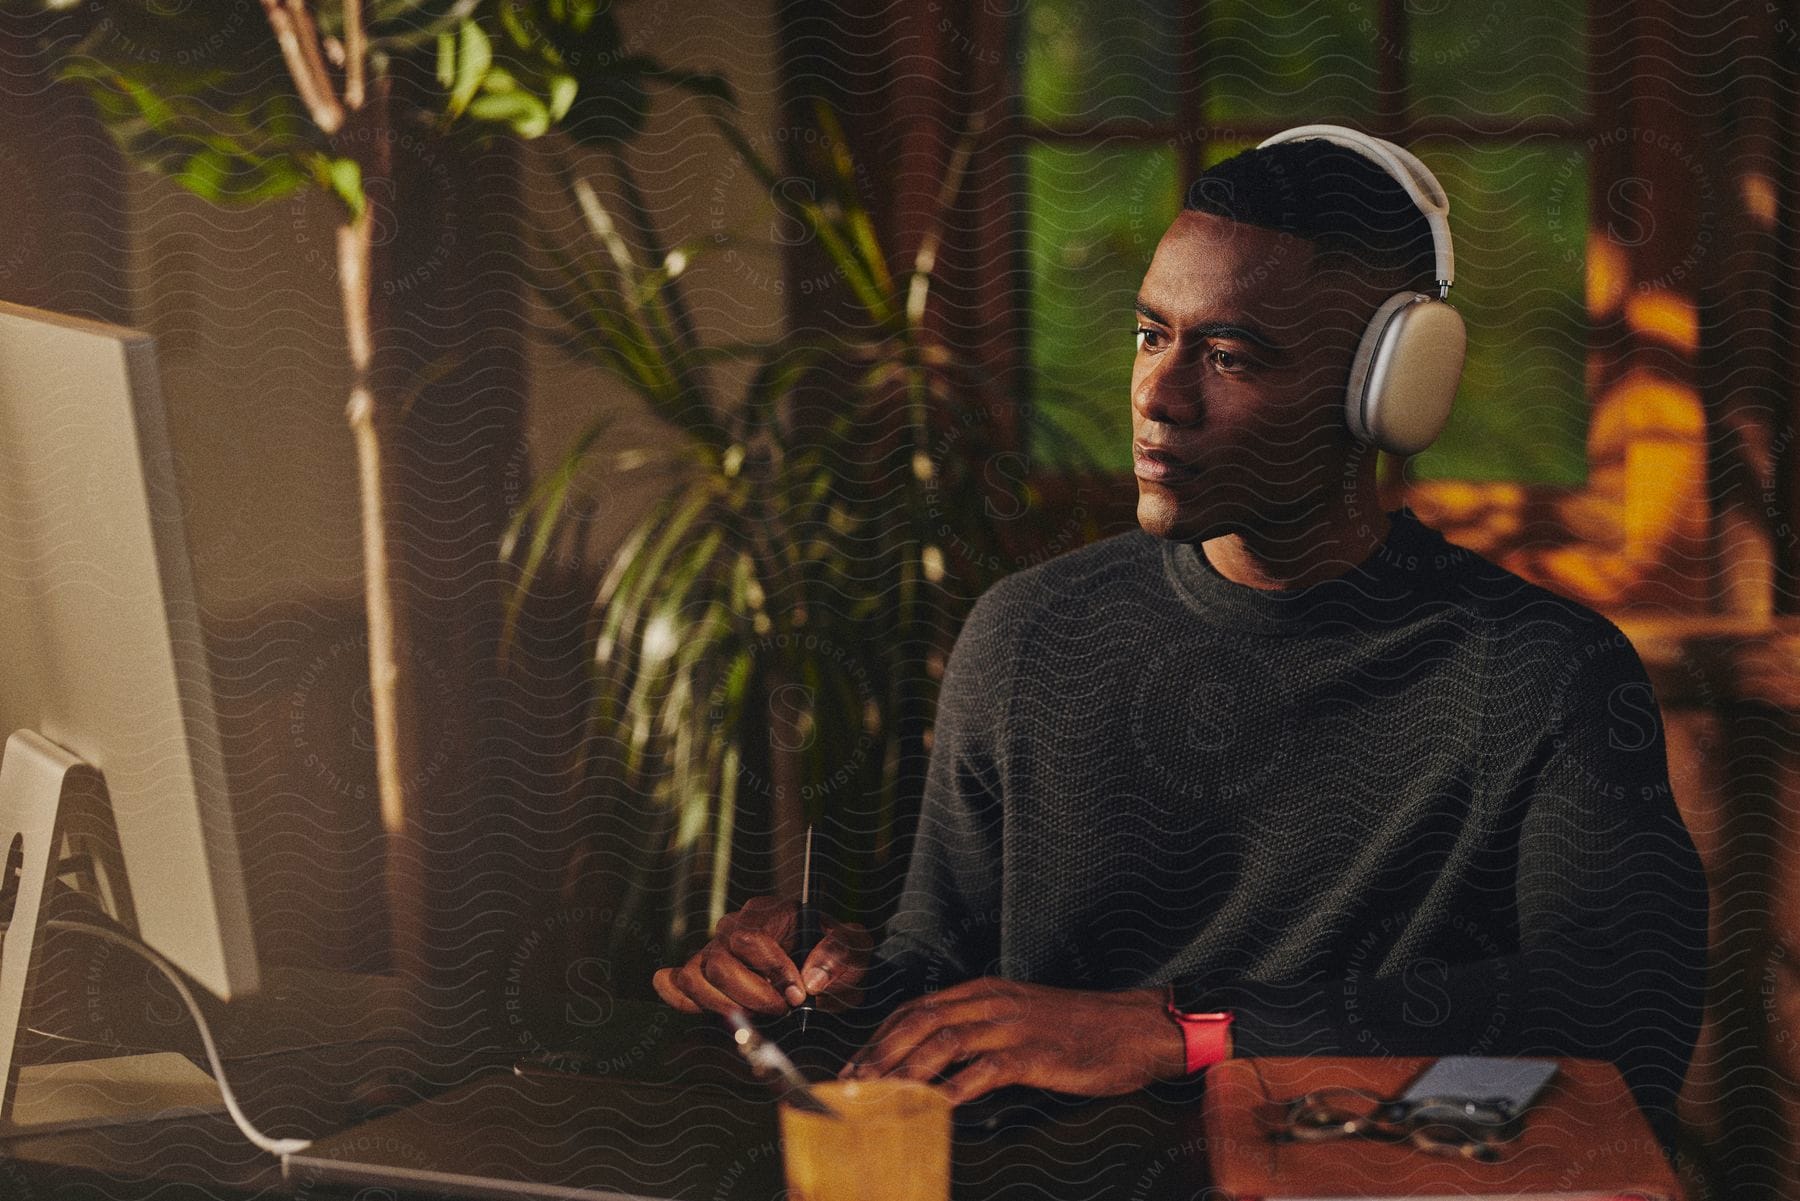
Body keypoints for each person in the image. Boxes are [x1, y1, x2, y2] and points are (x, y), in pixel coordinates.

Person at [651, 128, 1709, 1143]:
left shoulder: (1539, 669)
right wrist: (826, 973)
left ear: (1389, 390)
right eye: (1152, 335)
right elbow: (946, 966)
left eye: (1231, 355)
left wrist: (1184, 1029)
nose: (1159, 396)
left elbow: (1626, 1018)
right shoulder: (1025, 634)